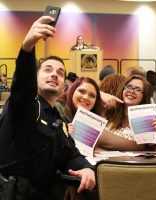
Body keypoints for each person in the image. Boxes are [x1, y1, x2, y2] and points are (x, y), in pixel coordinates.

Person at [0, 16, 95, 198]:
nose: (54, 75)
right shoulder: (25, 105)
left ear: (63, 87)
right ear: (35, 78)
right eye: (47, 70)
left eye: (60, 73)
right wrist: (27, 48)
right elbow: (22, 84)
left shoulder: (58, 121)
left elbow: (70, 155)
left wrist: (86, 169)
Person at [97, 75, 156, 151]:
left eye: (138, 89)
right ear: (122, 89)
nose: (131, 91)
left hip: (128, 162)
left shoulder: (149, 120)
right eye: (128, 87)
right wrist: (101, 95)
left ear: (144, 95)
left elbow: (155, 153)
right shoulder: (108, 111)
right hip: (97, 161)